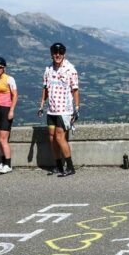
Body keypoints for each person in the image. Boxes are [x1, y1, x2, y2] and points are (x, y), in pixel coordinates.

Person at [38, 42, 79, 177]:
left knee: (60, 137)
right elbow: (45, 88)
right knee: (52, 138)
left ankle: (70, 167)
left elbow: (75, 90)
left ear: (64, 54)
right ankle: (58, 166)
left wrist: (76, 108)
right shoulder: (48, 69)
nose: (58, 55)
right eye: (55, 53)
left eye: (60, 52)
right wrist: (41, 105)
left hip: (64, 110)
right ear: (51, 54)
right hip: (51, 110)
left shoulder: (70, 69)